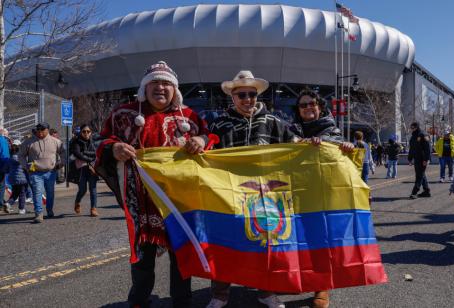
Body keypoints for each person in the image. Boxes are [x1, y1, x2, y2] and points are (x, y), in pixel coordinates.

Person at [94, 61, 209, 307]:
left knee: (181, 252)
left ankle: (182, 300)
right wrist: (114, 148)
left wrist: (200, 138)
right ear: (144, 88)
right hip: (141, 198)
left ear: (175, 89)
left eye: (166, 83)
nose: (160, 87)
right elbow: (101, 140)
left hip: (180, 199)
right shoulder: (123, 114)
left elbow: (211, 139)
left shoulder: (189, 116)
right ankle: (139, 299)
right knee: (143, 256)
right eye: (154, 82)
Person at [207, 70, 297, 308]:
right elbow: (205, 151)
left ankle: (266, 291)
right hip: (227, 193)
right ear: (232, 97)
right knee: (225, 242)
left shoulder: (274, 121)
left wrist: (319, 145)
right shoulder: (219, 123)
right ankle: (220, 294)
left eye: (251, 94)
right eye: (242, 95)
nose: (247, 99)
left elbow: (296, 145)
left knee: (265, 241)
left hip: (264, 195)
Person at [290, 88, 353, 308]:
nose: (308, 108)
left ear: (319, 107)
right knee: (296, 239)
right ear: (298, 110)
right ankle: (302, 278)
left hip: (322, 194)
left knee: (320, 240)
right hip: (295, 192)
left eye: (312, 104)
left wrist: (347, 148)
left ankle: (322, 287)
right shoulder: (290, 131)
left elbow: (341, 155)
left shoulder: (331, 129)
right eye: (303, 105)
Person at [18, 122, 65, 222]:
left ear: (47, 130)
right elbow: (21, 155)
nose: (40, 133)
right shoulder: (29, 142)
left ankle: (49, 210)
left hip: (51, 172)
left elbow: (63, 152)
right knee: (37, 192)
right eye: (38, 131)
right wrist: (25, 166)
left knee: (50, 193)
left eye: (42, 130)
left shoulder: (55, 141)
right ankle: (39, 213)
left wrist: (61, 163)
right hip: (35, 172)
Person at [70, 124, 99, 217]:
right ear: (81, 132)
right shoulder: (76, 141)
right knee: (83, 189)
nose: (86, 133)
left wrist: (85, 153)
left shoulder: (93, 141)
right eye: (84, 131)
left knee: (93, 188)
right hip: (81, 169)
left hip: (92, 168)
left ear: (91, 132)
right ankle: (77, 202)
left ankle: (93, 208)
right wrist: (89, 158)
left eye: (88, 131)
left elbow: (96, 153)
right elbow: (77, 154)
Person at [408, 122, 431, 199]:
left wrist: (426, 159)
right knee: (421, 174)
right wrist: (410, 158)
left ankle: (414, 192)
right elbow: (411, 148)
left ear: (417, 127)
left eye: (413, 127)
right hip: (416, 159)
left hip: (422, 159)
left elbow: (428, 148)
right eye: (411, 127)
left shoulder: (423, 135)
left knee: (419, 176)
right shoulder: (413, 136)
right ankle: (426, 191)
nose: (411, 129)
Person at [6, 140, 28, 215]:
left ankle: (8, 203)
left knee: (15, 193)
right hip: (21, 178)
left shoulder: (11, 155)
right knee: (22, 193)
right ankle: (21, 209)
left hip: (12, 177)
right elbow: (25, 165)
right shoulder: (20, 156)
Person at [0, 128, 11, 213]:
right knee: (1, 186)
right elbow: (4, 155)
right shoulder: (2, 140)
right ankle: (0, 205)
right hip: (1, 165)